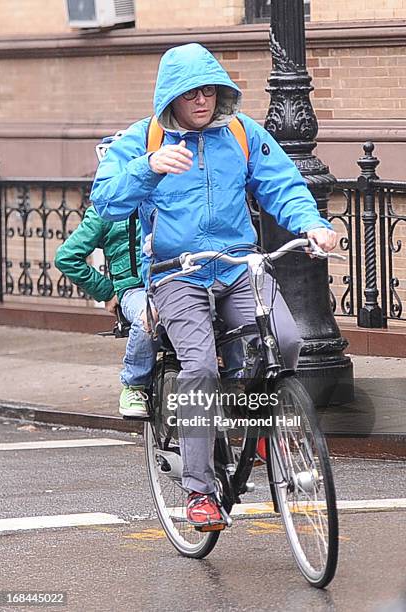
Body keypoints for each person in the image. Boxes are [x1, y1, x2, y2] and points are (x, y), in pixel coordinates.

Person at [90, 43, 338, 528]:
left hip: (237, 267)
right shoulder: (143, 140)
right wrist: (149, 168)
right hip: (175, 274)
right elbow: (104, 201)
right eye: (191, 93)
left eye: (210, 91)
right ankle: (200, 492)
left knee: (285, 340)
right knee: (199, 367)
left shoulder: (242, 134)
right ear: (171, 98)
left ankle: (262, 425)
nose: (202, 101)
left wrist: (312, 224)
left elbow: (282, 185)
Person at [54, 205, 159, 417]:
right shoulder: (108, 207)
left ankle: (236, 382)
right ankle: (134, 386)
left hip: (181, 280)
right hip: (135, 289)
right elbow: (67, 257)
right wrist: (107, 292)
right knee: (147, 317)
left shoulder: (171, 195)